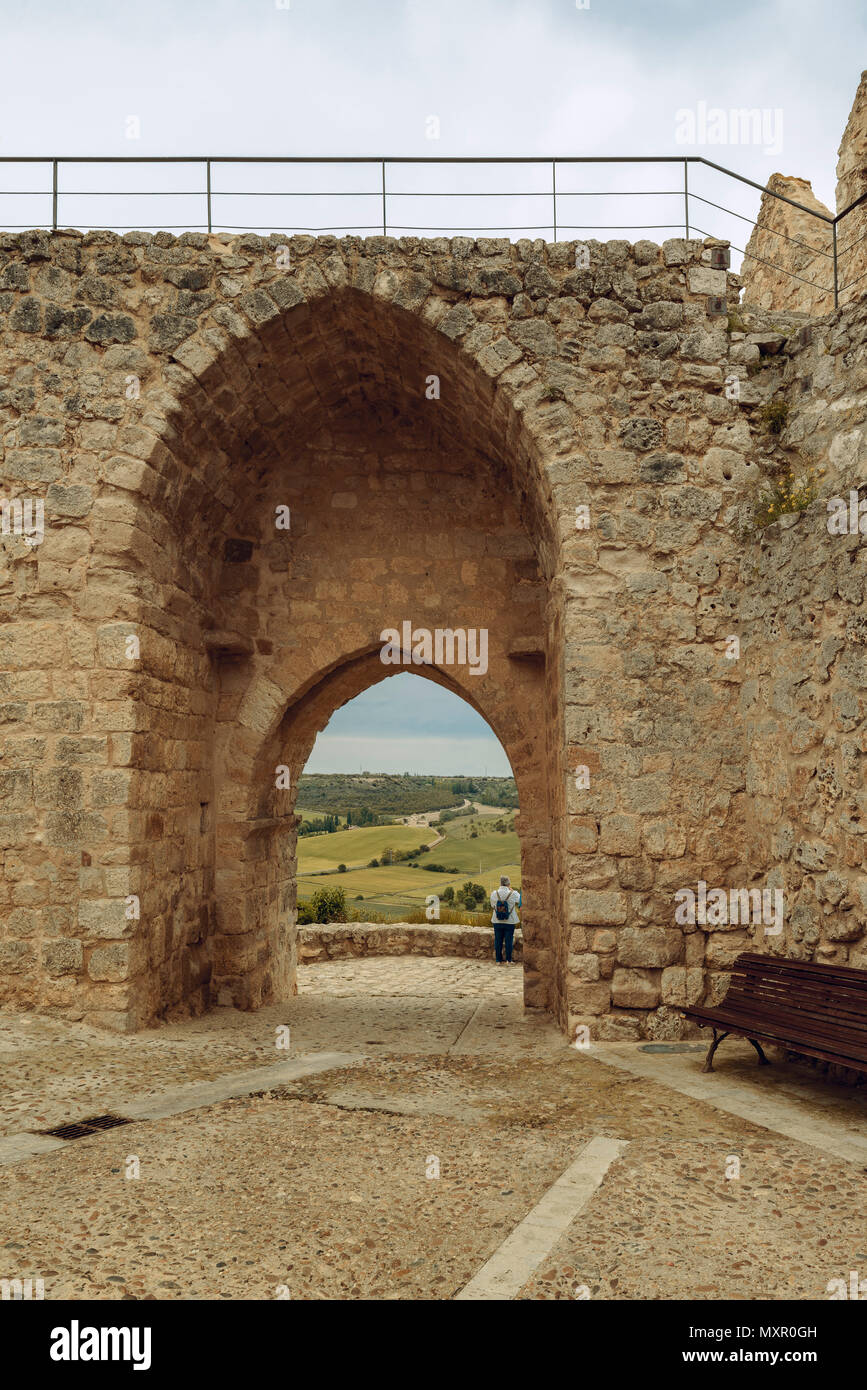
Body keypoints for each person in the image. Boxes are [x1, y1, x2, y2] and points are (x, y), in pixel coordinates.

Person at [490, 876, 521, 964]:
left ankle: (498, 960)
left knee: (498, 940)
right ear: (508, 884)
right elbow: (520, 899)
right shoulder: (513, 893)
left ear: (500, 883)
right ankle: (508, 960)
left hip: (497, 920)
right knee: (509, 940)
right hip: (510, 921)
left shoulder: (494, 893)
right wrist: (512, 890)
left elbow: (493, 905)